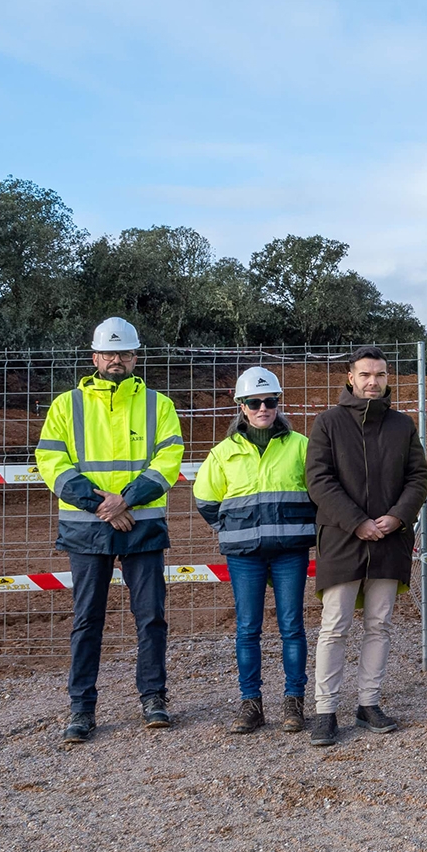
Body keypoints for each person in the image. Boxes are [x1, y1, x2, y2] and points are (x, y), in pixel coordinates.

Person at [36, 317, 184, 744]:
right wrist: (102, 503)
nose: (116, 360)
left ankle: (154, 698)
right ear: (95, 356)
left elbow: (169, 458)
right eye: (109, 353)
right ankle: (81, 709)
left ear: (135, 357)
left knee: (151, 617)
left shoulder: (159, 404)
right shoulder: (67, 405)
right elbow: (51, 461)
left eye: (124, 353)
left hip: (140, 524)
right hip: (89, 527)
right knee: (87, 620)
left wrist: (128, 499)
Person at [304, 346, 427, 746]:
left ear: (388, 377)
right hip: (343, 539)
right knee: (335, 625)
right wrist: (356, 521)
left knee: (379, 624)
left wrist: (397, 517)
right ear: (350, 378)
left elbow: (418, 477)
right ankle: (325, 710)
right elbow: (318, 479)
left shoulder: (402, 425)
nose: (372, 382)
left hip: (390, 540)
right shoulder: (328, 423)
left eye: (379, 374)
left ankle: (368, 704)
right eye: (365, 375)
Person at [193, 366, 316, 735]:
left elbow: (319, 491)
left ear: (278, 404)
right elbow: (205, 499)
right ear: (241, 407)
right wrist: (230, 530)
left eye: (270, 401)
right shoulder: (223, 452)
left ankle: (294, 703)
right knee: (247, 628)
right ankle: (251, 705)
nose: (263, 408)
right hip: (244, 555)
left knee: (292, 627)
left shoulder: (300, 446)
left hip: (289, 552)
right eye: (254, 402)